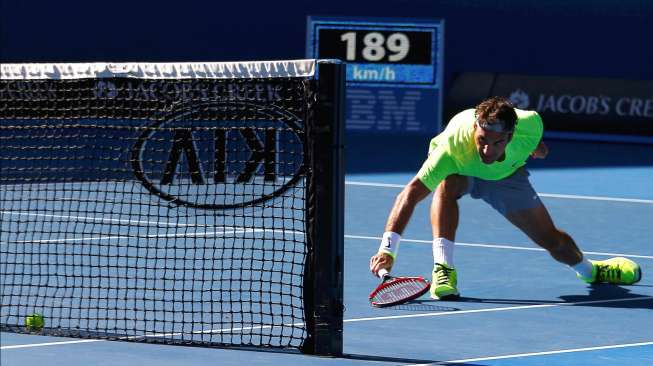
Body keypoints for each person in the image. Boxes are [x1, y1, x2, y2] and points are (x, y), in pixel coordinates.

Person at [368, 96, 642, 300]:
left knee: (553, 241)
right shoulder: (452, 148)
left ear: (511, 135)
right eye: (482, 139)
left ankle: (591, 271)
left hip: (505, 177)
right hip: (460, 168)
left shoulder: (531, 124)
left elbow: (534, 142)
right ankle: (444, 268)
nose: (487, 149)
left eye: (497, 142)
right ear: (475, 129)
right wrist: (387, 250)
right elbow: (410, 194)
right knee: (446, 186)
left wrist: (536, 148)